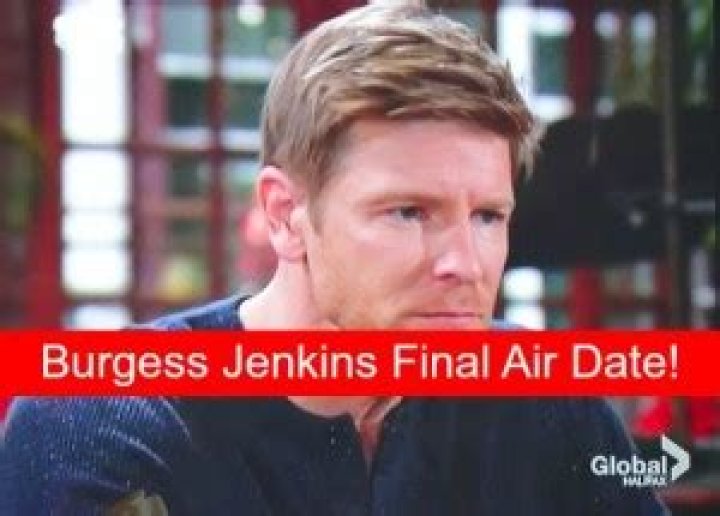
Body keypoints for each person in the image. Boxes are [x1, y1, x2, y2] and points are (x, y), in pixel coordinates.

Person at [2, 2, 668, 515]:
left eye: (488, 216)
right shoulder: (100, 419)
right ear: (285, 215)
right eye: (409, 212)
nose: (466, 264)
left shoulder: (550, 406)